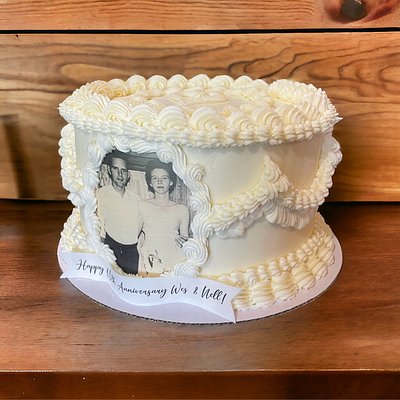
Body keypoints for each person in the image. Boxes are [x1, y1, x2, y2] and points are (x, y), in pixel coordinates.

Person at [138, 159, 190, 275]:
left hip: (174, 259)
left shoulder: (182, 210)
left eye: (164, 178)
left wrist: (185, 242)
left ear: (171, 182)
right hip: (150, 259)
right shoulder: (142, 206)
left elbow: (184, 239)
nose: (159, 182)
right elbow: (134, 236)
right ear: (150, 183)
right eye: (155, 178)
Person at [97, 155, 140, 275]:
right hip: (110, 246)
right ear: (109, 170)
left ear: (128, 174)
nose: (120, 174)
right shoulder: (101, 193)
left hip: (132, 250)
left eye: (124, 170)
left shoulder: (136, 198)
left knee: (131, 281)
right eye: (116, 169)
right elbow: (99, 222)